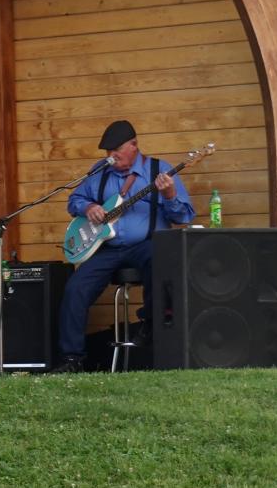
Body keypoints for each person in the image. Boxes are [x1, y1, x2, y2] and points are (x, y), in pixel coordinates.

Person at [54, 119, 194, 372]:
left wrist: (170, 195)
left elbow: (184, 216)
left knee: (161, 257)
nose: (111, 156)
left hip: (145, 246)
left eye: (116, 149)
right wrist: (89, 207)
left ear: (134, 145)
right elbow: (74, 200)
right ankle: (71, 358)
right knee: (76, 288)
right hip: (107, 249)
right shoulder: (100, 172)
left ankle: (150, 327)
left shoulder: (159, 171)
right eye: (108, 151)